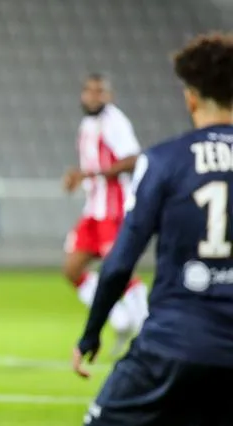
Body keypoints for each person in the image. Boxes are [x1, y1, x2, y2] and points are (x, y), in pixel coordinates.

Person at [55, 33, 233, 426]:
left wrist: (90, 336)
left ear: (191, 96)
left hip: (172, 340)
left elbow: (118, 265)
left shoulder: (167, 159)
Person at [62, 73, 149, 355]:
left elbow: (134, 159)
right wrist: (81, 178)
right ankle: (119, 318)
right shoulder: (87, 124)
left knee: (121, 271)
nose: (94, 96)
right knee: (72, 270)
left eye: (100, 92)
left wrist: (94, 173)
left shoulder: (115, 122)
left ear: (108, 96)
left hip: (114, 209)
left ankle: (146, 329)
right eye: (89, 91)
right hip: (93, 210)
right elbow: (93, 167)